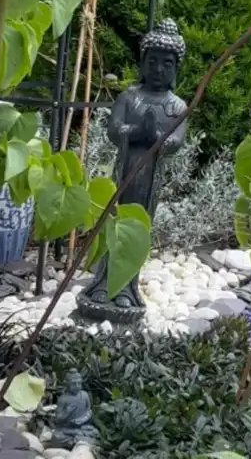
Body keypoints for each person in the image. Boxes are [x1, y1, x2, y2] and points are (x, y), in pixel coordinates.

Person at [79, 19, 188, 318]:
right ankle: (100, 285)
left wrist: (157, 139)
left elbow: (177, 140)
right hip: (124, 171)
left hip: (150, 179)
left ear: (176, 68)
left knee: (137, 231)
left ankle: (126, 288)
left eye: (167, 64)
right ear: (143, 63)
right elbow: (114, 131)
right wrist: (135, 131)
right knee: (112, 224)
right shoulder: (129, 97)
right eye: (152, 62)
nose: (159, 69)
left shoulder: (176, 106)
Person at [51, 370, 98, 448]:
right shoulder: (63, 399)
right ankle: (78, 440)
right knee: (57, 436)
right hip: (67, 428)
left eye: (79, 383)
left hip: (82, 426)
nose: (77, 386)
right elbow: (57, 419)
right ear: (67, 384)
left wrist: (81, 420)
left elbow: (89, 411)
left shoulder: (84, 395)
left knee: (95, 432)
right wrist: (66, 412)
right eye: (73, 384)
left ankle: (76, 439)